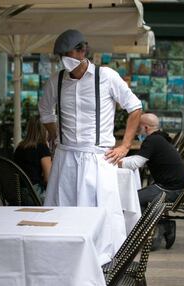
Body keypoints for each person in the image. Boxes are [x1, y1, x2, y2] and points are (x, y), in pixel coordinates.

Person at [39, 29, 142, 252]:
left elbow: (135, 108)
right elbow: (45, 112)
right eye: (60, 57)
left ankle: (105, 262)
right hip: (66, 155)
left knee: (101, 211)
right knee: (63, 210)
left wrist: (124, 145)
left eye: (68, 54)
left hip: (98, 156)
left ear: (82, 51)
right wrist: (56, 137)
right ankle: (65, 257)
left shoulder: (106, 77)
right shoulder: (56, 81)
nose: (64, 61)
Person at [119, 113, 184, 249]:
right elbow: (138, 159)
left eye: (138, 126)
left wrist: (113, 163)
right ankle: (162, 226)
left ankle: (148, 236)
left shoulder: (152, 140)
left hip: (170, 190)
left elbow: (136, 163)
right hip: (176, 187)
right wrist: (119, 159)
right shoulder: (160, 137)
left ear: (145, 127)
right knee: (137, 198)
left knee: (133, 199)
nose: (136, 129)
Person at [14, 116, 52, 200]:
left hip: (16, 194)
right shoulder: (42, 147)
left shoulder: (20, 147)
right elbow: (49, 179)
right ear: (44, 130)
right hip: (33, 195)